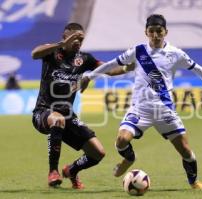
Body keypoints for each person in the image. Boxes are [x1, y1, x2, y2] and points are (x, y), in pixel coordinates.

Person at [80, 14, 202, 190]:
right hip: (140, 109)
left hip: (164, 111)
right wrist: (90, 76)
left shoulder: (175, 54)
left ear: (165, 32)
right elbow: (112, 64)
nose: (155, 35)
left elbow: (199, 69)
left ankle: (194, 182)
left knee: (185, 150)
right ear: (146, 32)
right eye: (151, 31)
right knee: (121, 140)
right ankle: (129, 158)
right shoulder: (138, 51)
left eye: (159, 31)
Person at [31, 23, 130, 189]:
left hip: (67, 116)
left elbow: (110, 70)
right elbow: (34, 54)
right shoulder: (52, 52)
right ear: (65, 36)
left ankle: (71, 170)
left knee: (97, 153)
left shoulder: (84, 59)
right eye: (75, 37)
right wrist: (62, 44)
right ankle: (53, 172)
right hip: (43, 112)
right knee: (57, 120)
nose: (78, 41)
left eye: (81, 38)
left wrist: (130, 66)